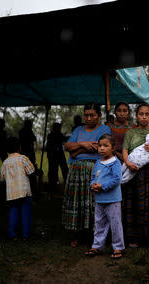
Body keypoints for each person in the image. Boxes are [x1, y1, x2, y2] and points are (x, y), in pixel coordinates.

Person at [62, 103, 111, 247]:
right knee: (77, 203)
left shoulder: (104, 129)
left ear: (99, 116)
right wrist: (84, 144)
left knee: (94, 203)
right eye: (86, 115)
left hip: (96, 170)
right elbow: (67, 147)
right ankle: (78, 234)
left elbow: (100, 148)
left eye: (92, 115)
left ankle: (96, 235)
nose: (88, 118)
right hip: (76, 171)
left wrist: (76, 150)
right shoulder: (78, 129)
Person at [122, 103, 149, 248]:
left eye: (147, 114)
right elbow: (125, 150)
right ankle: (135, 238)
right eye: (141, 114)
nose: (144, 117)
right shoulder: (131, 133)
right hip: (135, 171)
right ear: (136, 116)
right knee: (136, 203)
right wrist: (128, 162)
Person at [85, 134, 125, 259]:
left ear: (113, 148)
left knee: (115, 224)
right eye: (100, 145)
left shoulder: (115, 163)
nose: (102, 148)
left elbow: (117, 179)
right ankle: (97, 246)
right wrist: (93, 185)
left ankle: (118, 247)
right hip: (99, 199)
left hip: (112, 199)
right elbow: (93, 178)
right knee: (99, 223)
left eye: (105, 146)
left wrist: (102, 186)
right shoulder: (98, 162)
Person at [1, 137, 35, 240]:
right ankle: (26, 235)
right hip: (24, 191)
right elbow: (31, 171)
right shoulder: (23, 158)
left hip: (12, 193)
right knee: (26, 213)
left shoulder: (5, 162)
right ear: (19, 147)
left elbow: (2, 178)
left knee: (13, 212)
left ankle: (13, 234)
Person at [46, 122, 69, 188]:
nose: (60, 129)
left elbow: (64, 139)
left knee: (60, 168)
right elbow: (63, 139)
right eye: (59, 128)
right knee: (54, 169)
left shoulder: (53, 134)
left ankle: (55, 182)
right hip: (54, 154)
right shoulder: (53, 135)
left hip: (57, 154)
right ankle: (53, 182)